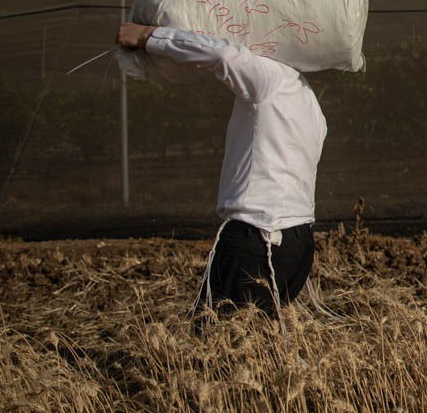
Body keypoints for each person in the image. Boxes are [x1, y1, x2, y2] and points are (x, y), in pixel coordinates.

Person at [116, 23, 326, 318]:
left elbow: (223, 56)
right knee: (257, 347)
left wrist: (148, 36)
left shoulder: (270, 77)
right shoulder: (309, 100)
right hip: (298, 242)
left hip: (259, 235)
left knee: (217, 341)